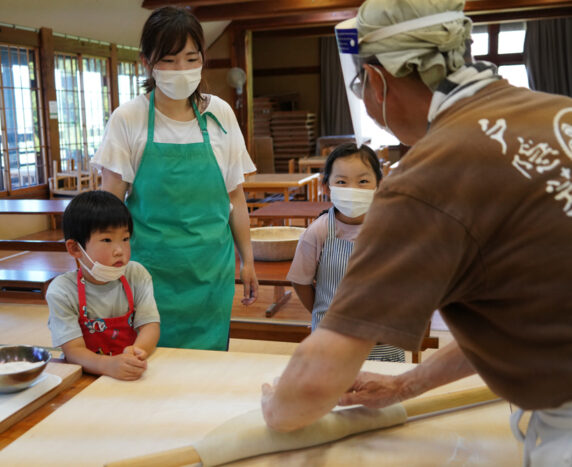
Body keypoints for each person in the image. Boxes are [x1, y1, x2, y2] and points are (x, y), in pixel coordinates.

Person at [260, 1, 572, 464]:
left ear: (379, 82)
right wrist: (405, 384)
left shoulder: (427, 179)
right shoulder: (560, 113)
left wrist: (277, 409)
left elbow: (317, 379)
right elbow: (526, 317)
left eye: (361, 83)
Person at [92, 6, 258, 351]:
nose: (180, 69)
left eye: (189, 58)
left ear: (202, 59)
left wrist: (249, 260)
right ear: (146, 62)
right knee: (149, 362)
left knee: (209, 366)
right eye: (167, 60)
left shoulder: (219, 114)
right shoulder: (129, 118)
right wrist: (101, 268)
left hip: (211, 269)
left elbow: (235, 198)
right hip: (149, 271)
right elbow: (109, 204)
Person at [286, 143, 404, 362]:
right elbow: (300, 281)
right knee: (331, 395)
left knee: (382, 392)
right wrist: (322, 313)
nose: (353, 189)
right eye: (341, 182)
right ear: (326, 188)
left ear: (380, 184)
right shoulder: (318, 232)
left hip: (384, 342)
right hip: (331, 342)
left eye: (363, 181)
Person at [46, 190, 160, 381]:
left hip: (127, 370)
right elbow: (73, 350)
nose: (119, 250)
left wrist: (137, 352)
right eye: (107, 240)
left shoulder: (136, 275)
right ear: (75, 248)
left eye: (125, 239)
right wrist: (107, 365)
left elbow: (150, 326)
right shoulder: (62, 290)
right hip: (84, 375)